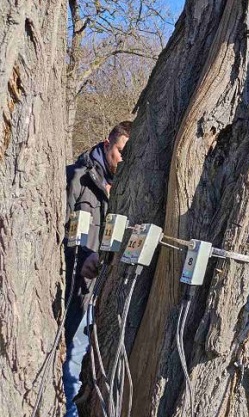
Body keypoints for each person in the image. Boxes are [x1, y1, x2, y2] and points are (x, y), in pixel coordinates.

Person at [63, 121, 132, 417]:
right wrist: (83, 259)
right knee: (73, 356)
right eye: (119, 152)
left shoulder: (128, 187)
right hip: (74, 288)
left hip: (104, 291)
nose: (122, 161)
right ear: (106, 144)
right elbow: (57, 232)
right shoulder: (76, 178)